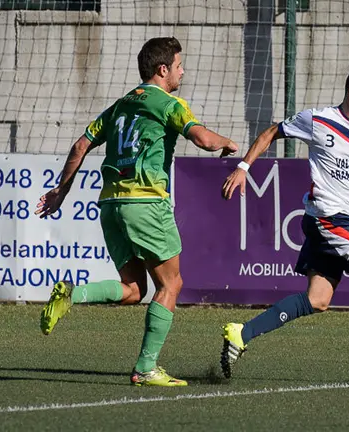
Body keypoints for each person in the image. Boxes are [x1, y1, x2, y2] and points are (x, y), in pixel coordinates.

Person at [35, 36, 239, 387]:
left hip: (110, 204)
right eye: (178, 65)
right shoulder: (170, 104)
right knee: (172, 283)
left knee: (133, 289)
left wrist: (61, 190)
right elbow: (203, 139)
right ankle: (146, 368)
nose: (182, 71)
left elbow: (81, 144)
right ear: (163, 70)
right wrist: (228, 142)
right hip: (145, 202)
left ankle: (72, 294)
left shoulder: (120, 105)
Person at [220, 63, 349, 378]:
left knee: (318, 300)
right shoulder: (318, 120)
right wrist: (244, 168)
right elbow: (272, 131)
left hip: (345, 221)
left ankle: (241, 333)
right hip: (327, 219)